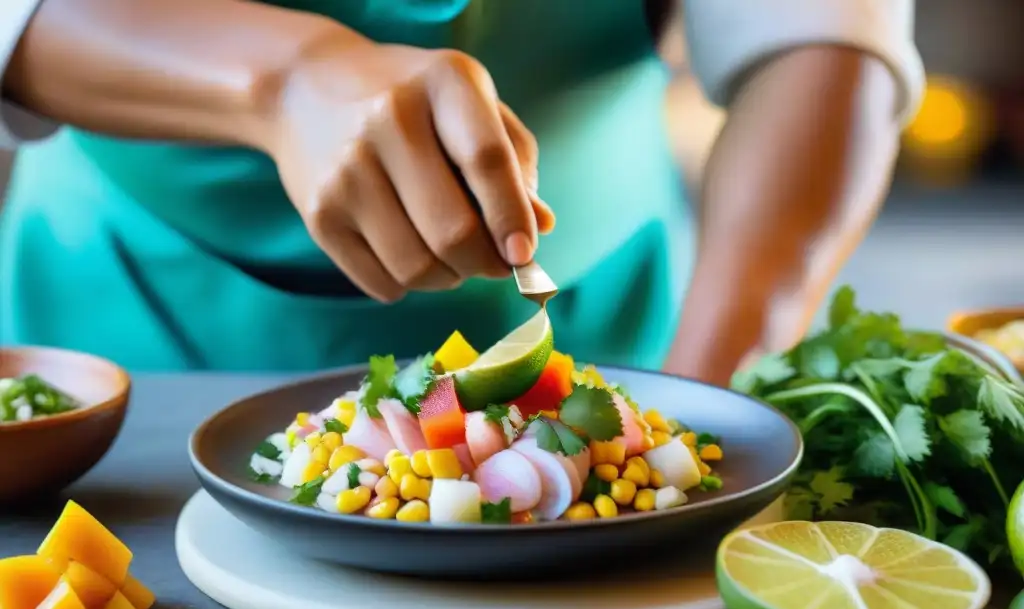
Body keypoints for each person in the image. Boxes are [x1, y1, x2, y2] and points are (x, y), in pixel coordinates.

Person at [0, 0, 923, 385]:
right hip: (121, 329)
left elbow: (821, 37)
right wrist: (285, 80)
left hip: (623, 337)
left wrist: (715, 401)